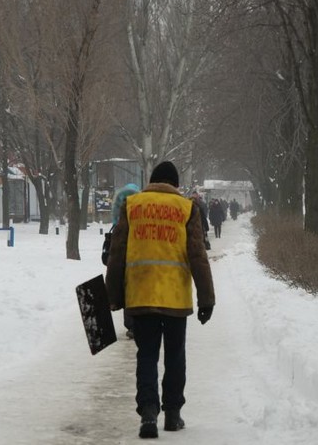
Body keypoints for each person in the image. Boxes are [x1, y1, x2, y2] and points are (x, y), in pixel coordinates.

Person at [106, 161, 215, 439]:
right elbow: (197, 255)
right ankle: (173, 414)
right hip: (175, 297)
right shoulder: (186, 208)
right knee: (175, 355)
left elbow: (118, 252)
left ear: (152, 181)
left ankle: (148, 414)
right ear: (175, 184)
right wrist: (206, 299)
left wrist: (113, 296)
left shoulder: (132, 205)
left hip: (141, 295)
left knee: (147, 355)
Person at [110, 183, 140, 339]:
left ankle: (131, 325)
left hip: (123, 260)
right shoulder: (139, 211)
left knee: (126, 290)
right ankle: (137, 324)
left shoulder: (119, 207)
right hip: (137, 259)